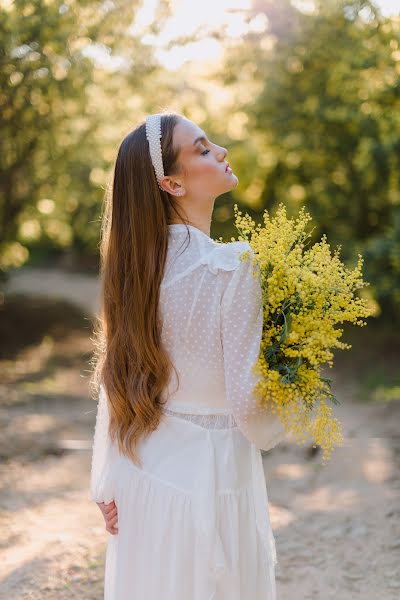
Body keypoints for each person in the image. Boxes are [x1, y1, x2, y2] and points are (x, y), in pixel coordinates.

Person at [89, 111, 286, 599]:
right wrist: (292, 392)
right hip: (216, 481)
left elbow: (116, 378)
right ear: (171, 184)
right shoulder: (232, 265)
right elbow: (251, 411)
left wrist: (106, 481)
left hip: (145, 478)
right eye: (202, 148)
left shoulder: (133, 277)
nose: (220, 150)